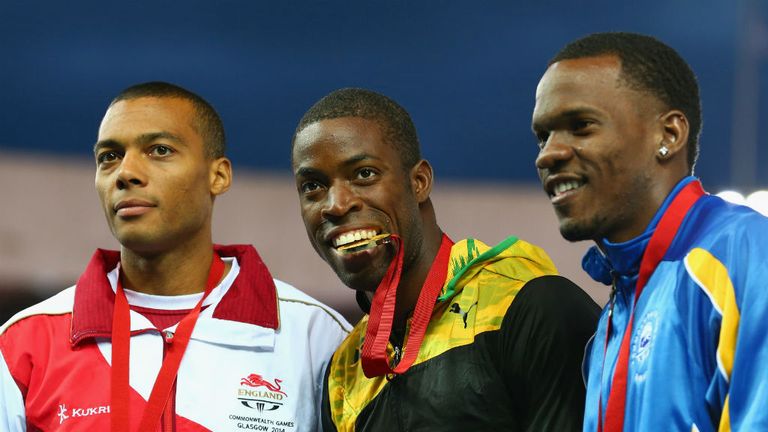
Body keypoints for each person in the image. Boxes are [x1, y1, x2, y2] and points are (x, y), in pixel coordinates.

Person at [0, 82, 350, 431]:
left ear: (219, 175)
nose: (126, 173)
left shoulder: (315, 338)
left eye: (159, 150)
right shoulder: (23, 346)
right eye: (109, 157)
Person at [291, 87, 600, 431]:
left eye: (364, 174)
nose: (335, 204)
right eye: (312, 186)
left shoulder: (529, 307)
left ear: (419, 182)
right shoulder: (344, 372)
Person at [532, 32, 768, 431]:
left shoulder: (743, 255)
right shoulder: (615, 313)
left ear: (669, 135)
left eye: (581, 126)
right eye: (544, 135)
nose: (548, 154)